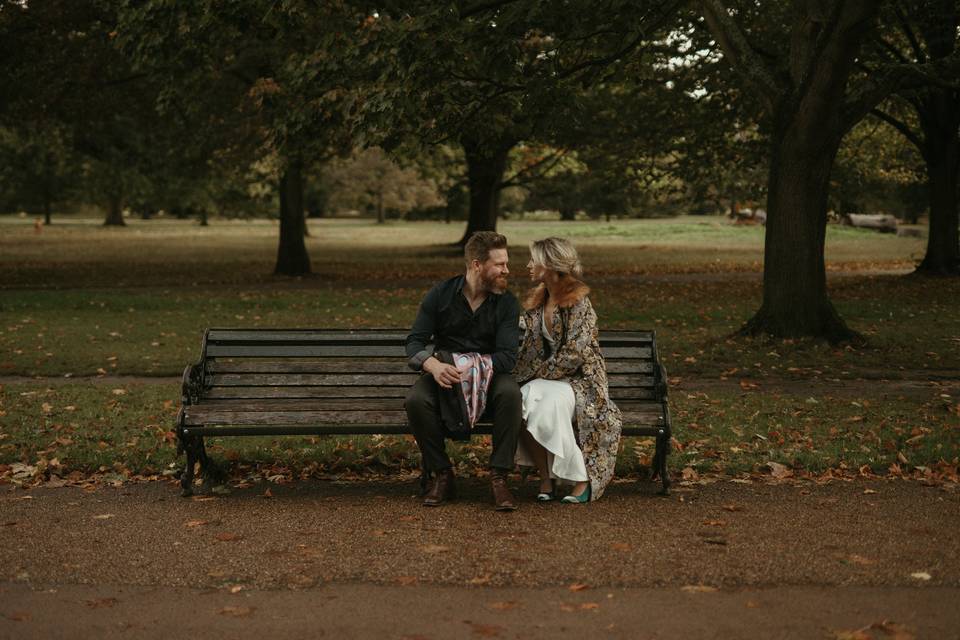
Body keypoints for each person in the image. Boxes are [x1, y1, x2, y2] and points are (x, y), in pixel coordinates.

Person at [405, 231, 523, 511]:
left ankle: (499, 478)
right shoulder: (440, 295)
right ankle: (442, 474)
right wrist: (432, 364)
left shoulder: (506, 303)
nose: (507, 270)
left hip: (491, 375)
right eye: (500, 264)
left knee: (511, 394)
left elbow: (507, 358)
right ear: (477, 265)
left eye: (506, 263)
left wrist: (470, 367)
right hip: (445, 374)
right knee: (416, 401)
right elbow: (414, 342)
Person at [513, 237, 622, 503]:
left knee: (543, 401)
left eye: (533, 260)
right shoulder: (539, 301)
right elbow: (523, 336)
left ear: (549, 265)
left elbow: (576, 352)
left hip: (581, 381)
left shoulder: (578, 302)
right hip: (548, 378)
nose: (528, 265)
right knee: (518, 399)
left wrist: (541, 373)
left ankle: (582, 479)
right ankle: (546, 478)